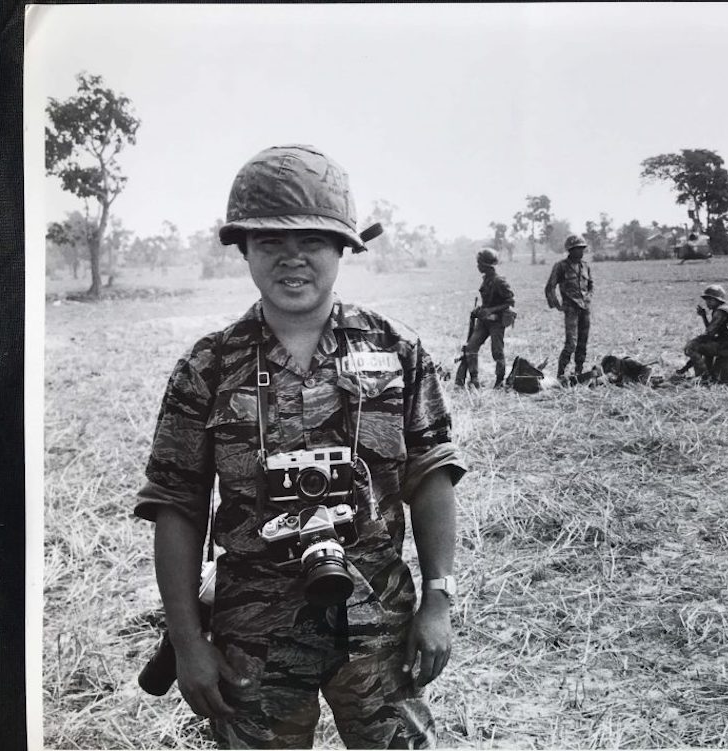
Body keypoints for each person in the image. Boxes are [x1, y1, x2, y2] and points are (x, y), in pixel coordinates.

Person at [134, 144, 466, 749]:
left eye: (311, 241)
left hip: (379, 628)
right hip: (251, 641)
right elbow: (176, 507)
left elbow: (432, 478)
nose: (292, 259)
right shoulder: (208, 367)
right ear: (245, 252)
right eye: (269, 243)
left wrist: (438, 600)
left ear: (342, 248)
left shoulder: (398, 352)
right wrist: (187, 643)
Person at [454, 248, 516, 388]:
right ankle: (474, 380)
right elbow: (488, 301)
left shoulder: (499, 281)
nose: (477, 266)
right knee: (471, 348)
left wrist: (490, 310)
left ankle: (499, 381)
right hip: (484, 321)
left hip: (496, 322)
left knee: (497, 352)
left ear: (486, 266)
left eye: (479, 263)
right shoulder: (486, 279)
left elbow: (510, 302)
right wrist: (480, 309)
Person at [545, 234, 594, 377]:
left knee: (583, 342)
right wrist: (557, 305)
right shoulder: (561, 266)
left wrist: (588, 298)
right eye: (578, 248)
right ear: (570, 250)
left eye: (582, 248)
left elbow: (591, 285)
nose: (581, 251)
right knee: (570, 344)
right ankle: (560, 374)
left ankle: (578, 371)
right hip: (571, 308)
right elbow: (550, 287)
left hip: (585, 309)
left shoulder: (586, 266)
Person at [680, 285, 728, 383]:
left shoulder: (720, 311)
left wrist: (694, 341)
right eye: (706, 300)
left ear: (718, 300)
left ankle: (704, 378)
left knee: (692, 347)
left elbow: (709, 334)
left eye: (710, 300)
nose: (707, 303)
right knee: (705, 346)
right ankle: (709, 373)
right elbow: (712, 332)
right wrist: (704, 316)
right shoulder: (727, 308)